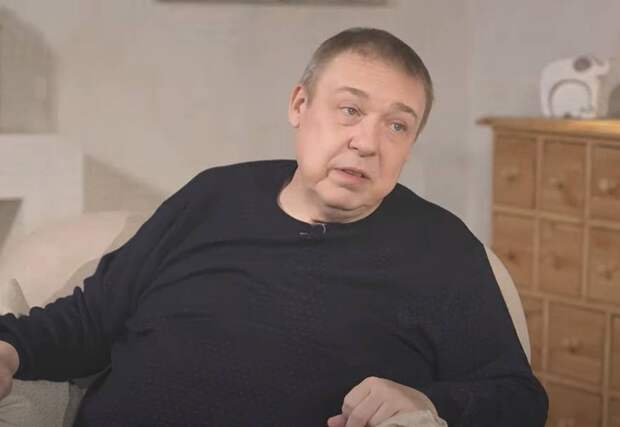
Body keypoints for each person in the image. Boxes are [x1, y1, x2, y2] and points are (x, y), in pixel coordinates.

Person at [0, 27, 547, 426]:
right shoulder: (212, 197)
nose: (367, 142)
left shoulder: (441, 249)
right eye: (350, 110)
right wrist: (10, 348)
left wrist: (428, 403)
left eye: (397, 126)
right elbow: (92, 319)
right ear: (299, 105)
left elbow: (518, 398)